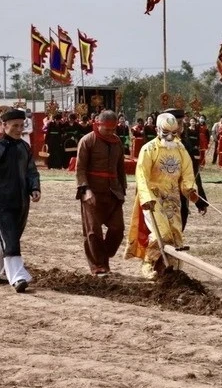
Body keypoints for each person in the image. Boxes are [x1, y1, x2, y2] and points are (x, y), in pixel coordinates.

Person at [125, 112, 200, 279]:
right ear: (158, 130)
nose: (170, 137)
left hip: (173, 198)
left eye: (174, 133)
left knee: (176, 235)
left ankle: (173, 270)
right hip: (153, 197)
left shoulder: (181, 149)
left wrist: (190, 189)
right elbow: (141, 175)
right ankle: (148, 263)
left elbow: (188, 174)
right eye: (166, 132)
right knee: (162, 233)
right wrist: (146, 198)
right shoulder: (149, 149)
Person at [0, 109, 41, 293]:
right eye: (15, 126)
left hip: (20, 201)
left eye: (21, 126)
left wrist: (35, 188)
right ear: (4, 126)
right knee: (10, 240)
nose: (19, 129)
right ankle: (18, 278)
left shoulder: (24, 147)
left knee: (7, 239)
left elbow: (31, 171)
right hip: (0, 202)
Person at [75, 110, 127, 276]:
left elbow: (121, 169)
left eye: (113, 129)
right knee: (93, 231)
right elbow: (80, 168)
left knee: (118, 228)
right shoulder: (87, 141)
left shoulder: (117, 142)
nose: (111, 133)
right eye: (107, 129)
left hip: (113, 193)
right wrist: (86, 190)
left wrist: (122, 190)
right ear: (98, 125)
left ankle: (104, 255)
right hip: (92, 193)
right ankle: (98, 266)